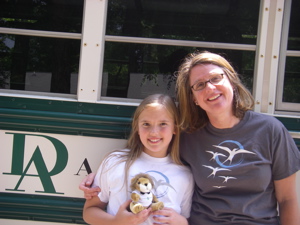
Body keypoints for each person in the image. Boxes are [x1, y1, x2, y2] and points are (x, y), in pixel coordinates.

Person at [80, 52, 300, 225]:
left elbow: (288, 200)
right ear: (193, 98)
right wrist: (98, 178)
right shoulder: (187, 135)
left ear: (231, 81)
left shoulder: (270, 130)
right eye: (200, 85)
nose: (210, 88)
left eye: (216, 78)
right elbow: (151, 153)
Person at [82, 94, 194, 225]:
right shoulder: (115, 162)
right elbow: (89, 212)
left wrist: (183, 222)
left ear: (175, 128)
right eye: (146, 124)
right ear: (137, 127)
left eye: (163, 124)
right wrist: (116, 221)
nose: (154, 132)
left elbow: (187, 217)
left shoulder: (185, 175)